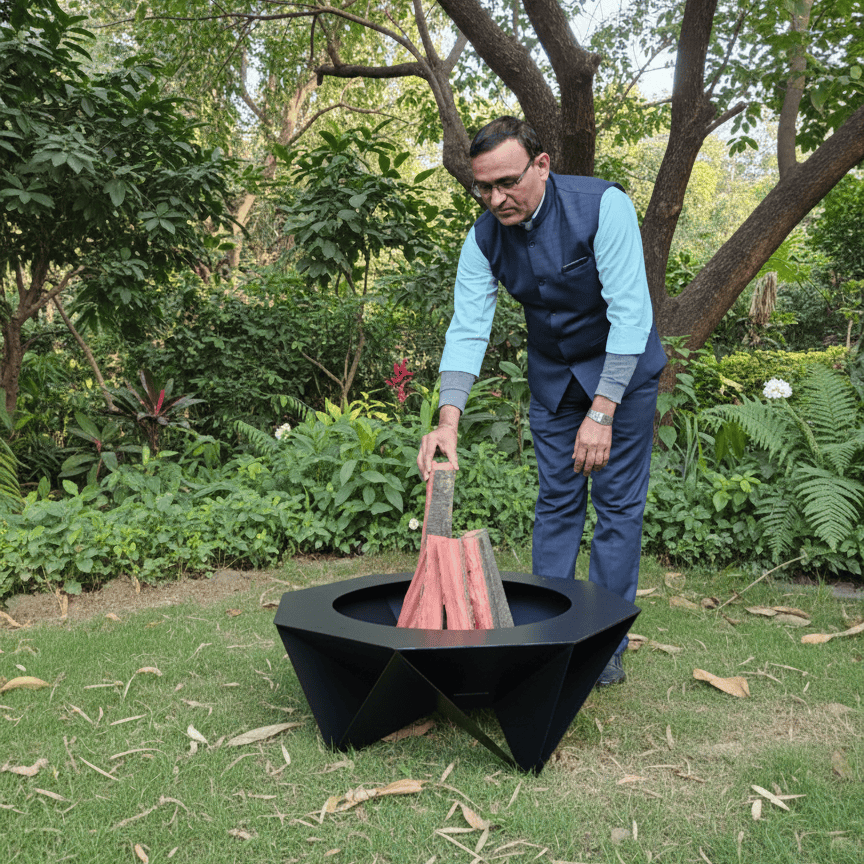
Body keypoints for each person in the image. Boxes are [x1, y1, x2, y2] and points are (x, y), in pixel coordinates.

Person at [417, 116, 666, 686]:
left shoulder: (603, 207)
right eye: (484, 187)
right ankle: (551, 634)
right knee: (556, 502)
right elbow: (468, 328)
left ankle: (604, 642)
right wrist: (447, 421)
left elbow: (631, 314)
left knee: (617, 508)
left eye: (508, 182)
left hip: (622, 376)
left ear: (542, 165)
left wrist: (602, 412)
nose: (496, 199)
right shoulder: (482, 238)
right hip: (554, 382)